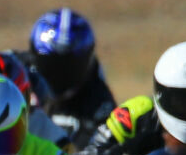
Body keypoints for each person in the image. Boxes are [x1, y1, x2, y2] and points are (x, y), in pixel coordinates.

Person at [17, 8, 119, 146]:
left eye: (68, 66)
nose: (59, 74)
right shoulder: (17, 69)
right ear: (34, 57)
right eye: (51, 65)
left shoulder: (100, 103)